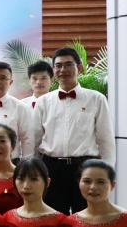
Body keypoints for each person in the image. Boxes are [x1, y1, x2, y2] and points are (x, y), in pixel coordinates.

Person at [33, 47, 115, 214]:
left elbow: (105, 139)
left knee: (88, 216)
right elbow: (34, 139)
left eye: (68, 64)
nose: (63, 69)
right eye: (58, 66)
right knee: (52, 217)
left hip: (86, 167)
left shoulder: (96, 99)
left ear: (79, 68)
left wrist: (107, 172)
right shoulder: (43, 102)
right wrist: (33, 169)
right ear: (53, 70)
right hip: (51, 168)